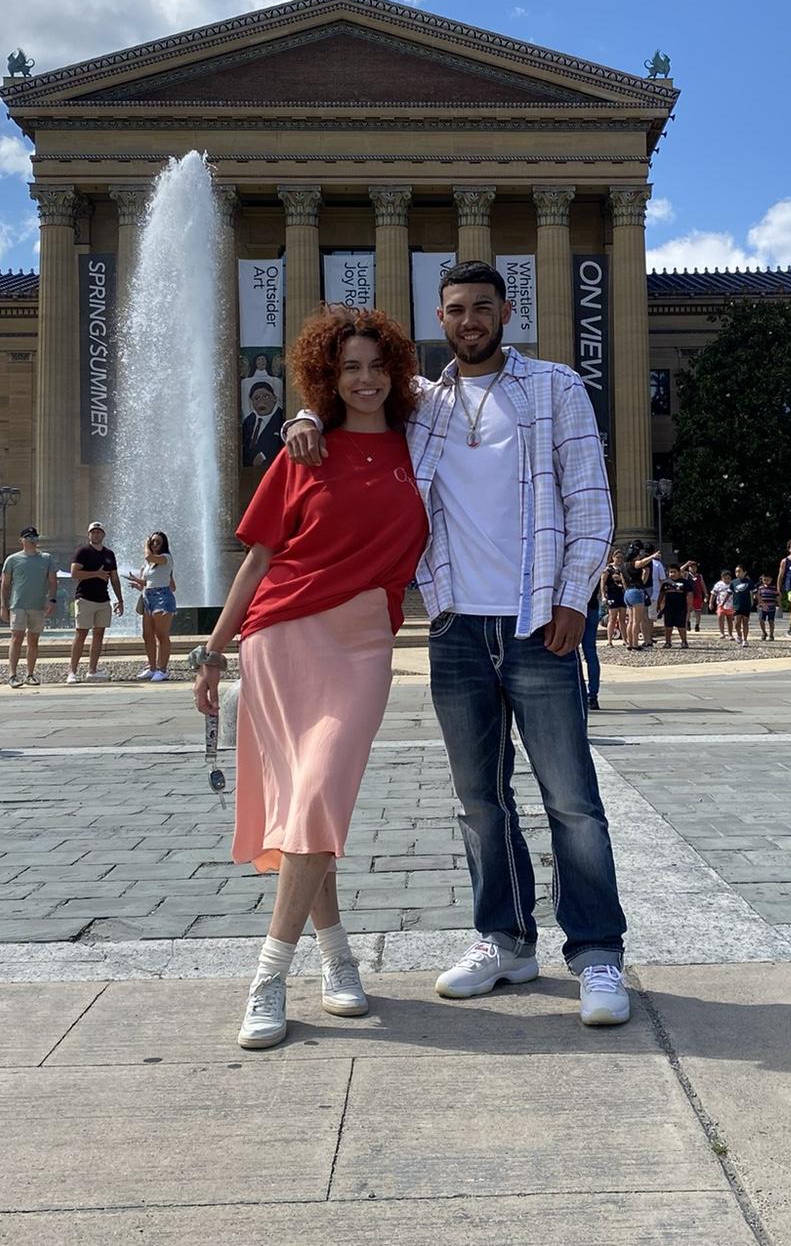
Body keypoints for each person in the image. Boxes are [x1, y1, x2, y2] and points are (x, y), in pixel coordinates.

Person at [284, 261, 630, 1027]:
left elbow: (591, 502)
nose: (469, 320)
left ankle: (598, 955)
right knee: (480, 801)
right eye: (454, 310)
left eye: (481, 307)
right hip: (457, 628)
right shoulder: (424, 406)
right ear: (439, 321)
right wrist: (300, 420)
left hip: (538, 620)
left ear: (507, 311)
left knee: (571, 800)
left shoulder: (556, 388)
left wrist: (574, 597)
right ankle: (503, 941)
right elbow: (347, 413)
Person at [196, 307, 428, 1050]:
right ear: (328, 379)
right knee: (308, 809)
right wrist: (211, 653)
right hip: (282, 635)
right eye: (348, 369)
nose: (364, 380)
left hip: (362, 645)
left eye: (376, 366)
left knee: (319, 793)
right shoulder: (301, 454)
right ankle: (329, 961)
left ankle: (270, 970)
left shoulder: (420, 445)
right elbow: (258, 561)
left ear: (395, 371)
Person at [0, 525, 58, 688]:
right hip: (18, 604)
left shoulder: (47, 558)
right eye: (29, 538)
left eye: (34, 538)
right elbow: (5, 584)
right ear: (21, 541)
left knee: (33, 640)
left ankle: (30, 674)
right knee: (16, 638)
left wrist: (52, 600)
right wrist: (3, 606)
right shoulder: (12, 559)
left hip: (38, 605)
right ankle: (12, 675)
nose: (33, 541)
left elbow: (53, 581)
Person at [68, 521, 124, 684]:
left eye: (98, 532)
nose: (96, 534)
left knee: (99, 634)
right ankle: (72, 671)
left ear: (103, 535)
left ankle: (92, 670)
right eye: (93, 532)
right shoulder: (82, 552)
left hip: (103, 598)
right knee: (81, 634)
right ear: (89, 535)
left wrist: (120, 599)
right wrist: (96, 574)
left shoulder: (109, 554)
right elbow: (74, 573)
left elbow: (114, 578)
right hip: (85, 597)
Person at [128, 531, 178, 681]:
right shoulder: (148, 564)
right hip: (148, 597)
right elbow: (147, 583)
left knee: (161, 635)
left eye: (158, 542)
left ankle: (162, 669)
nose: (155, 544)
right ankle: (152, 667)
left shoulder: (166, 558)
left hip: (162, 597)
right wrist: (138, 583)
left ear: (164, 545)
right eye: (153, 542)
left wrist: (145, 543)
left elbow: (149, 556)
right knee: (147, 634)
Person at [243, 380, 286, 468]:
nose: (261, 402)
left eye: (266, 396)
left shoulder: (283, 418)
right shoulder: (248, 421)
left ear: (274, 398)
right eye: (256, 398)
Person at [621, 540, 653, 651]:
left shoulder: (623, 566)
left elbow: (623, 582)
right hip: (636, 591)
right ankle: (635, 643)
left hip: (627, 592)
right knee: (636, 621)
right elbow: (642, 563)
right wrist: (653, 556)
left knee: (630, 621)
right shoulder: (634, 563)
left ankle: (630, 642)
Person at [580, 580, 603, 710]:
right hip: (592, 606)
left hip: (575, 607)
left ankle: (577, 692)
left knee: (570, 652)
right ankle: (592, 696)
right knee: (590, 652)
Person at [659, 565, 690, 648]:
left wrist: (690, 606)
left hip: (681, 608)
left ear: (679, 573)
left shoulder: (685, 582)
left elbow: (689, 594)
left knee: (681, 626)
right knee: (668, 626)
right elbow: (661, 595)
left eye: (674, 572)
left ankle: (684, 642)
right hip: (668, 608)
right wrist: (658, 605)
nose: (672, 574)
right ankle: (668, 642)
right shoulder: (666, 583)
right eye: (670, 572)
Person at [601, 554, 626, 647]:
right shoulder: (608, 569)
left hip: (622, 594)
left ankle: (625, 639)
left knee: (623, 618)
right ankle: (609, 640)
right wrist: (603, 595)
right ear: (613, 558)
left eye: (621, 557)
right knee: (612, 618)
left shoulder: (622, 569)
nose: (619, 559)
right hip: (612, 594)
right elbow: (603, 582)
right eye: (618, 557)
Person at [730, 565, 754, 646]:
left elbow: (755, 592)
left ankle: (745, 640)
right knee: (737, 623)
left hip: (746, 605)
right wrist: (722, 603)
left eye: (739, 571)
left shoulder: (749, 582)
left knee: (745, 622)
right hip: (737, 605)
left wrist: (760, 602)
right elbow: (729, 593)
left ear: (744, 572)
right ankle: (739, 634)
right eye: (736, 571)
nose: (737, 573)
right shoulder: (733, 582)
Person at [682, 559, 705, 633]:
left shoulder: (699, 576)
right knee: (688, 610)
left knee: (698, 611)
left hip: (698, 595)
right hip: (689, 595)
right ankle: (688, 623)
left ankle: (697, 625)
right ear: (689, 568)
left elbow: (703, 585)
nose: (693, 568)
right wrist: (686, 563)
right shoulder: (686, 574)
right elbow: (680, 570)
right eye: (691, 567)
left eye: (694, 567)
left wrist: (706, 594)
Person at [711, 568, 734, 639]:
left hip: (731, 605)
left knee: (730, 620)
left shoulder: (733, 584)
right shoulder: (718, 584)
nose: (727, 580)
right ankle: (722, 633)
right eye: (725, 578)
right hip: (721, 605)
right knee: (720, 617)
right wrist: (710, 602)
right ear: (722, 578)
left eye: (728, 578)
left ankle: (730, 634)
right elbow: (713, 593)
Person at [755, 570, 778, 641]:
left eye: (768, 580)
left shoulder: (774, 588)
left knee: (771, 621)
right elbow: (757, 596)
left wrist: (779, 605)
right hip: (762, 607)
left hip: (771, 607)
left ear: (771, 579)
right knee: (761, 620)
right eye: (764, 580)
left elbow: (777, 596)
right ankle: (764, 633)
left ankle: (771, 634)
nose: (766, 581)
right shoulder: (760, 588)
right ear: (762, 579)